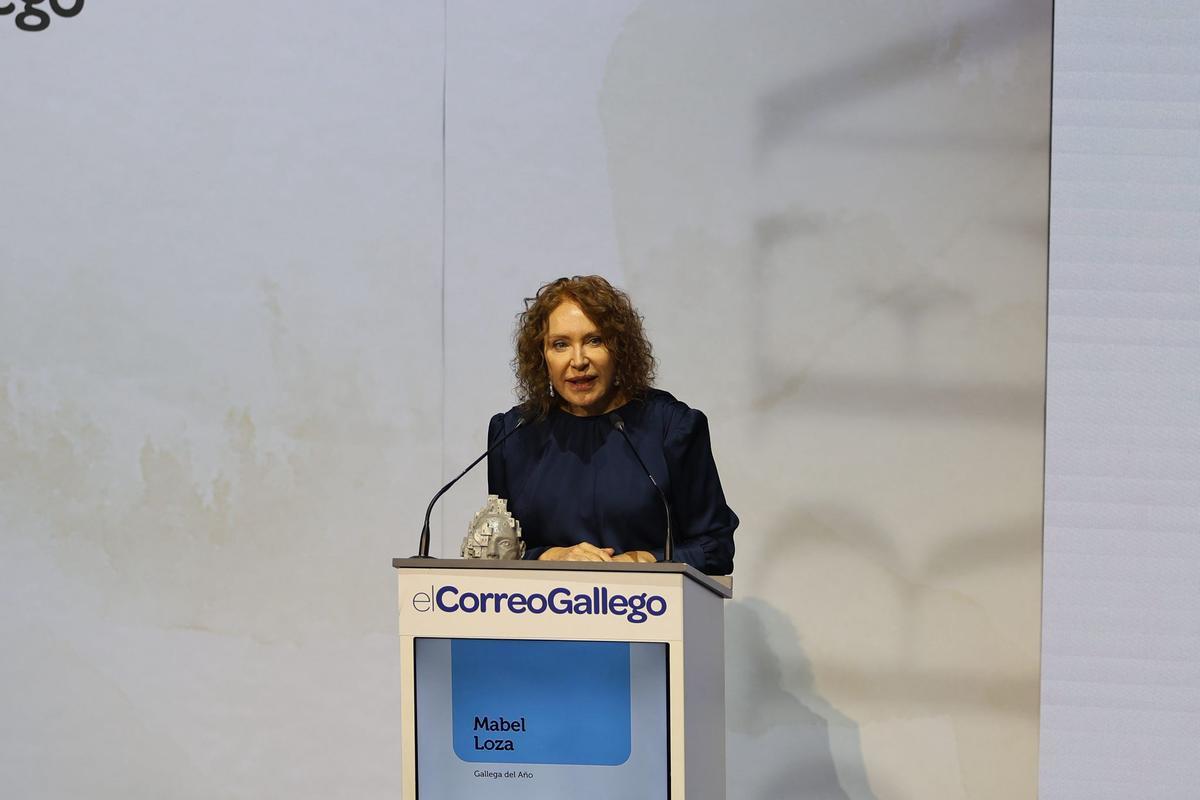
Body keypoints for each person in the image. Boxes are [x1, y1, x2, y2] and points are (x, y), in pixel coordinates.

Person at [486, 275, 737, 575]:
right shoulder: (514, 434)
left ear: (619, 349)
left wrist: (645, 561)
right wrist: (548, 556)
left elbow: (715, 548)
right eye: (560, 344)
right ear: (542, 357)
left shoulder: (672, 428)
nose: (578, 360)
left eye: (595, 340)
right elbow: (496, 551)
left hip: (650, 613)